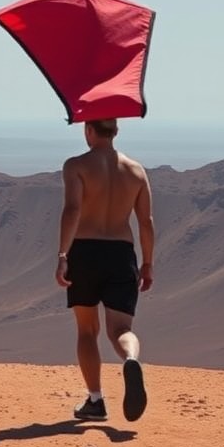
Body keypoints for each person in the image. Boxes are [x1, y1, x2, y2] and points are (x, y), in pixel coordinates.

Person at [55, 117, 154, 423]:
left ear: (89, 131)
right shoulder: (136, 171)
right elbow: (146, 222)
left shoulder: (76, 166)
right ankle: (131, 359)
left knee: (88, 330)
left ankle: (95, 401)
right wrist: (147, 263)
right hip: (121, 253)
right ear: (116, 131)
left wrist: (63, 254)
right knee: (120, 330)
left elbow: (72, 210)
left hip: (84, 251)